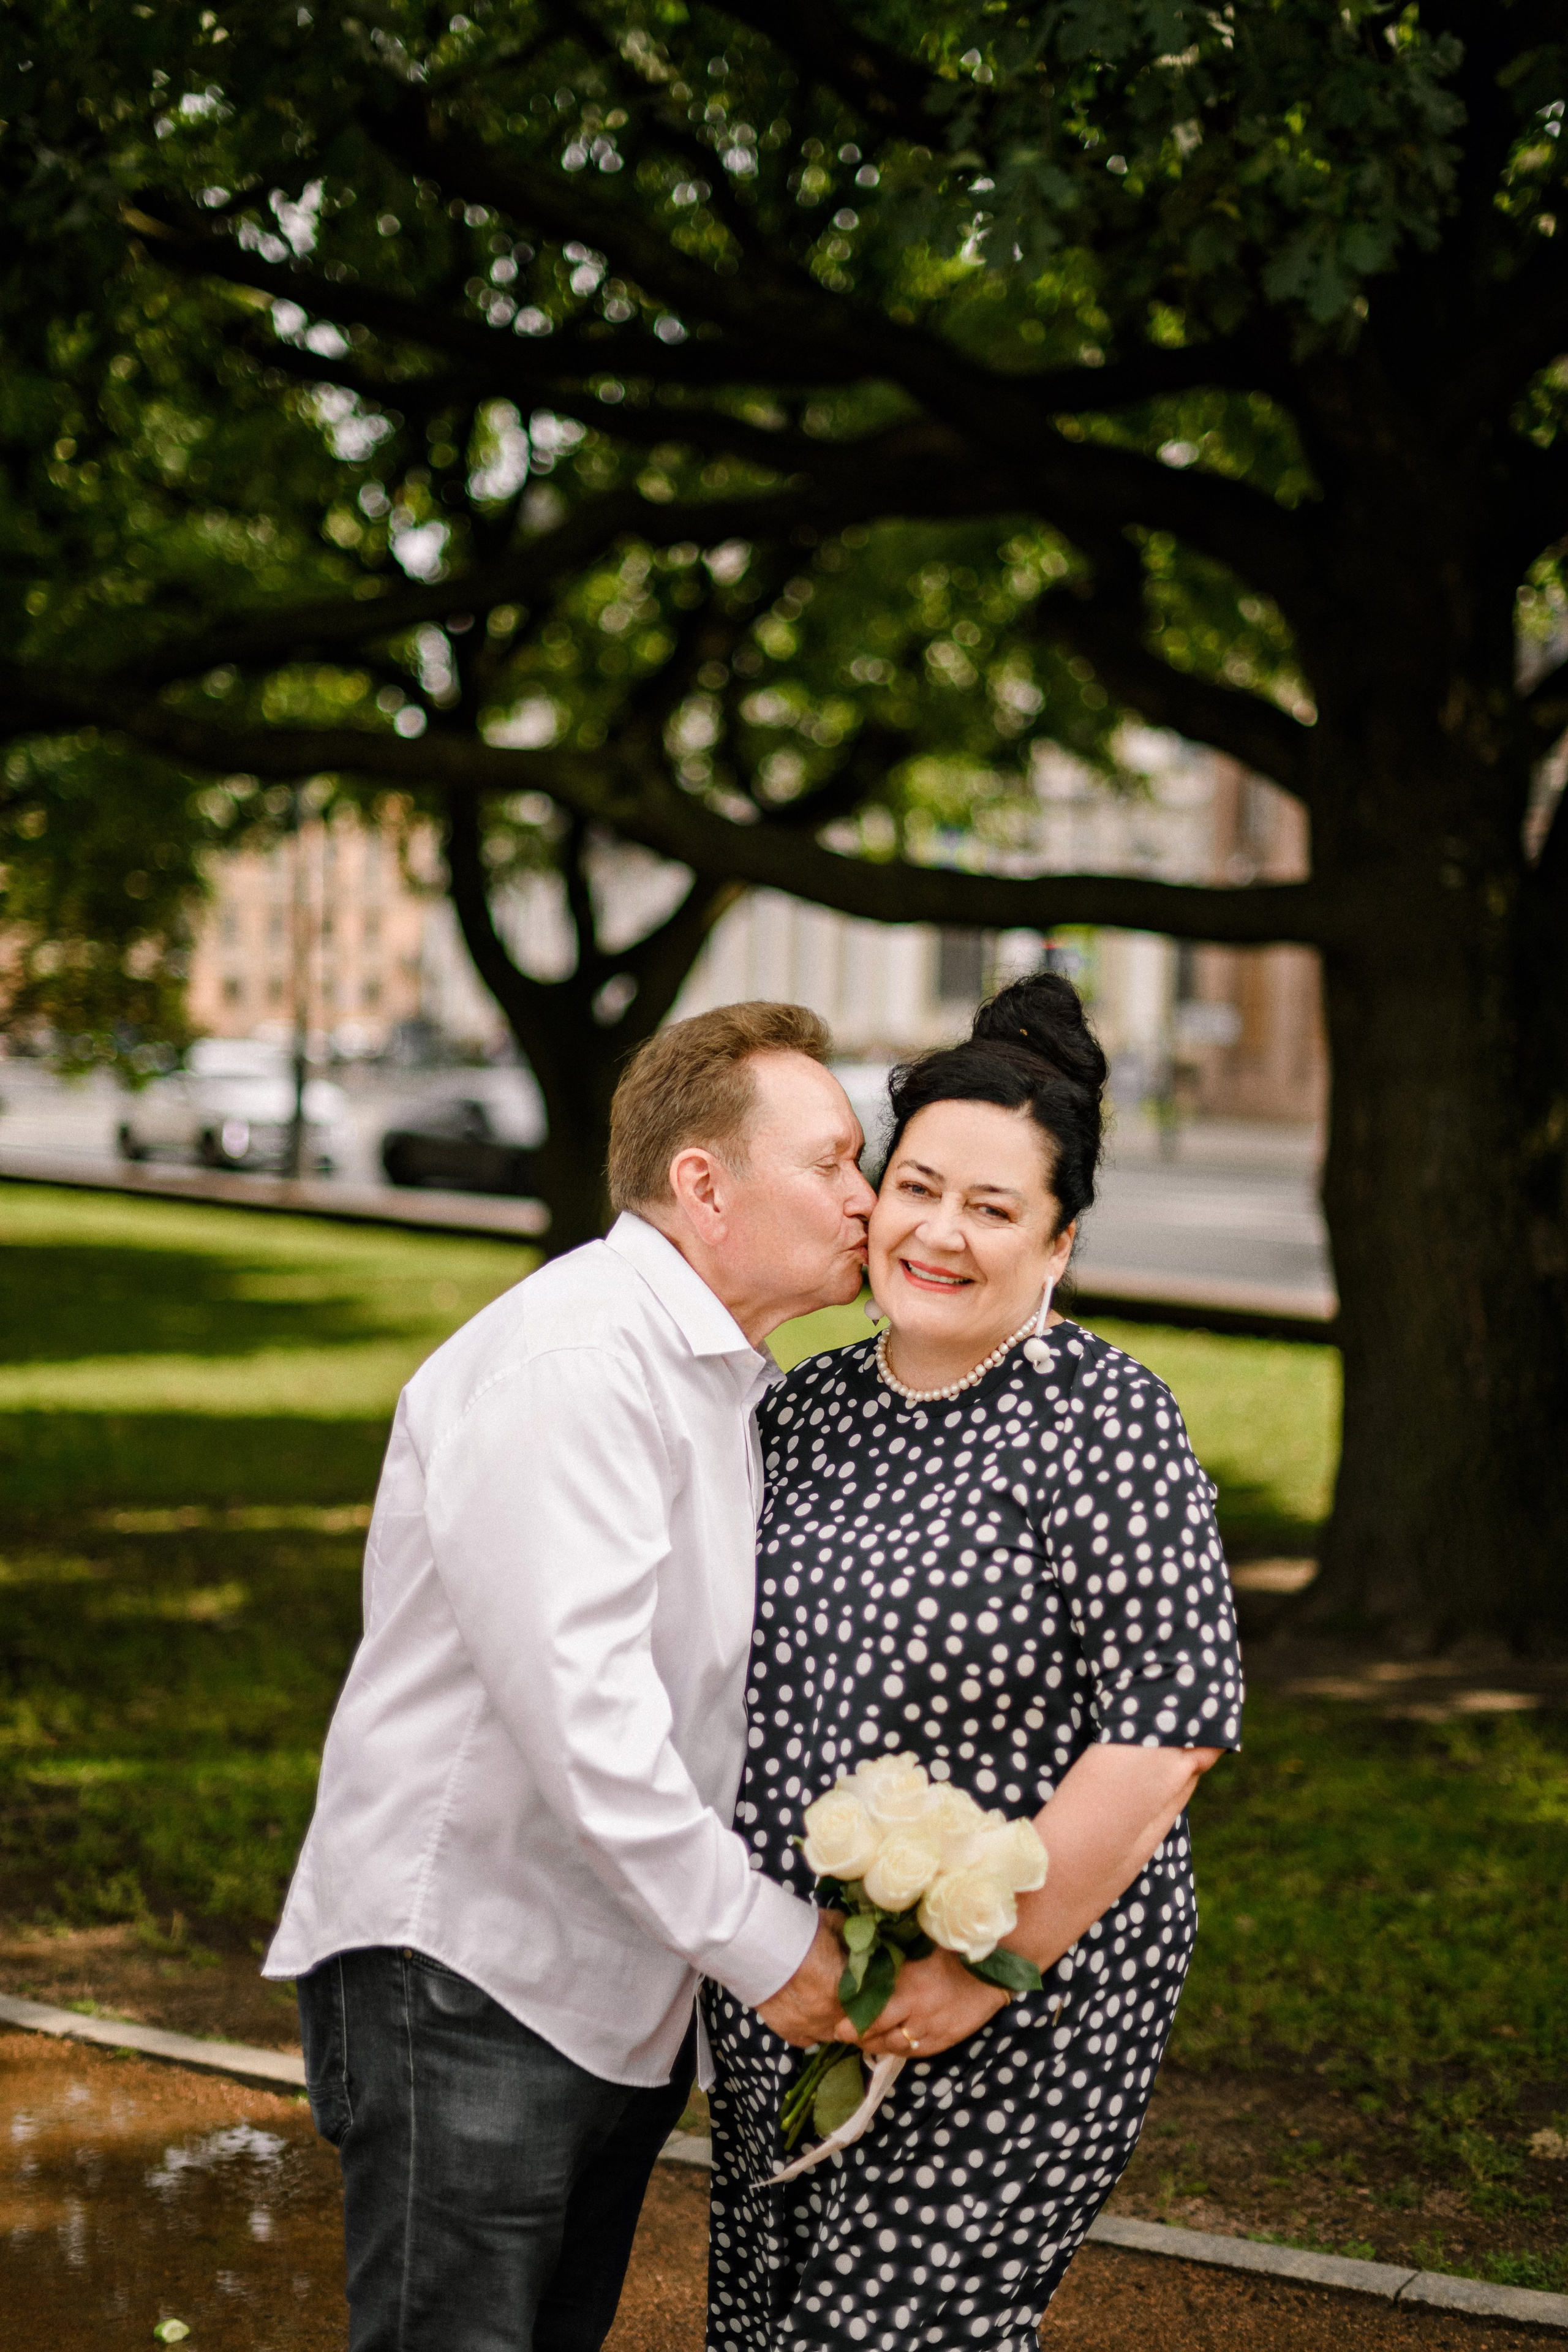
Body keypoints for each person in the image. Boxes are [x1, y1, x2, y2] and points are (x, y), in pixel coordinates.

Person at [266, 1002, 876, 2352]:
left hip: (609, 1989)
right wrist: (773, 1952)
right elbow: (588, 1725)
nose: (866, 1198)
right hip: (473, 1975)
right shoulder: (579, 1365)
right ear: (703, 1185)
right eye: (832, 1162)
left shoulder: (710, 1374)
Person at [706, 972, 1245, 2351]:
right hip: (795, 1989)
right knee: (770, 2323)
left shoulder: (1103, 1421)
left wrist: (979, 1973)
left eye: (993, 1209)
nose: (940, 1232)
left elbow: (1167, 1729)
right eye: (918, 1187)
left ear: (1058, 1240)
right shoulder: (803, 1409)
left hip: (1024, 2000)